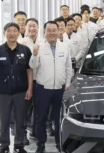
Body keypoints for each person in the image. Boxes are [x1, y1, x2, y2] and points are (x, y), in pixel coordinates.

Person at [0, 23, 33, 153]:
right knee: (4, 120)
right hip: (3, 92)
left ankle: (19, 145)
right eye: (9, 31)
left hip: (21, 91)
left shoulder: (25, 50)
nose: (12, 33)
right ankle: (4, 146)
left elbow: (29, 70)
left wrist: (30, 89)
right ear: (4, 33)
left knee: (20, 119)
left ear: (18, 33)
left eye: (14, 31)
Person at [30, 21, 72, 153]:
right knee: (41, 118)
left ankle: (60, 144)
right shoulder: (40, 48)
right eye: (49, 30)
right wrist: (35, 54)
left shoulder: (64, 47)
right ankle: (40, 144)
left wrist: (68, 83)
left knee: (59, 118)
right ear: (45, 32)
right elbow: (33, 66)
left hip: (60, 89)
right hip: (43, 89)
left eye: (55, 30)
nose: (52, 33)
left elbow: (68, 67)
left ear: (59, 31)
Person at [20, 18, 44, 141]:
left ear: (38, 27)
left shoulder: (43, 42)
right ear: (25, 28)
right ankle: (23, 133)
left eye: (34, 26)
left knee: (39, 107)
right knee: (25, 108)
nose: (32, 29)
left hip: (40, 80)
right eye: (30, 26)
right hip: (26, 81)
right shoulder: (22, 43)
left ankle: (35, 131)